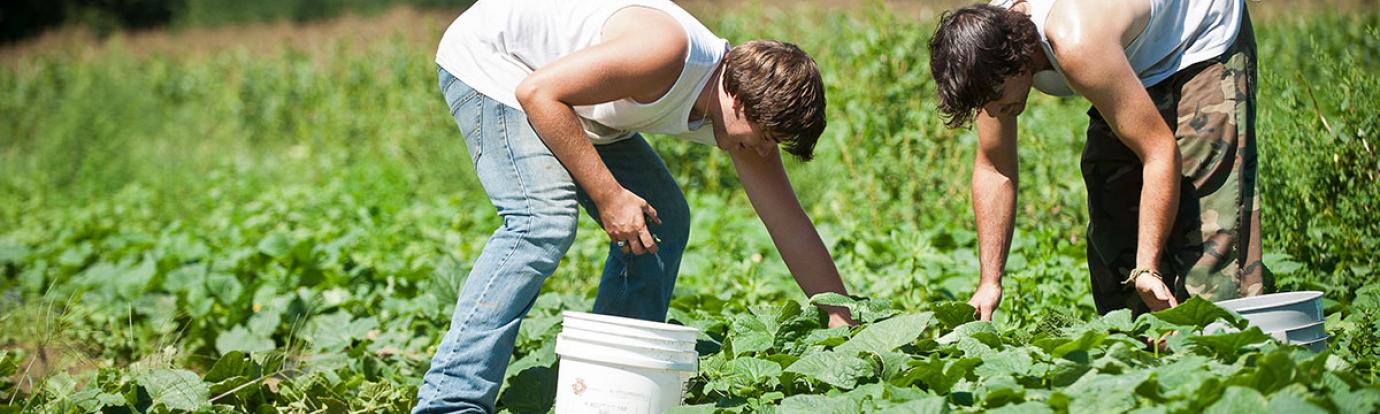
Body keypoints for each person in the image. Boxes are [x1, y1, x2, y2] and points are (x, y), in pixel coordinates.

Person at [416, 0, 855, 411]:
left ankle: (611, 388)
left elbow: (789, 224)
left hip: (570, 99)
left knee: (662, 219)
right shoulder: (666, 54)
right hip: (498, 65)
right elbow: (538, 94)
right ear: (737, 101)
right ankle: (451, 398)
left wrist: (843, 320)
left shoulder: (741, 116)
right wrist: (610, 197)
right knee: (542, 221)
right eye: (762, 139)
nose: (761, 152)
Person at [928, 0, 1270, 320]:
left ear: (1017, 63)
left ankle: (1223, 352)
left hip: (1198, 41)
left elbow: (1159, 152)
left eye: (994, 101)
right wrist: (990, 282)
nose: (992, 112)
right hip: (1126, 54)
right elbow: (994, 167)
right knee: (1114, 225)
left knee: (1208, 234)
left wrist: (1148, 267)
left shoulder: (1075, 42)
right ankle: (1145, 360)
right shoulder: (989, 51)